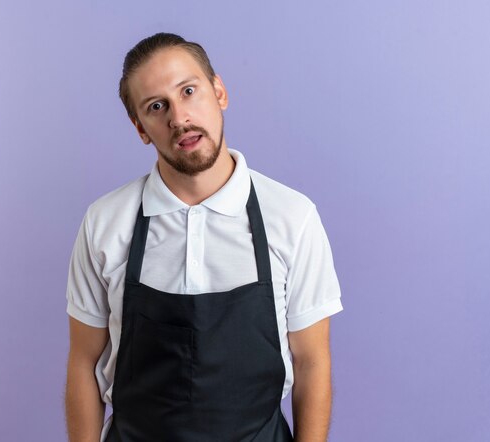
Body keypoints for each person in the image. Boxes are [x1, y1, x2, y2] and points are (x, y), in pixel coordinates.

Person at [65, 32, 343, 442]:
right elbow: (83, 365)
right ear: (141, 128)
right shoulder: (105, 222)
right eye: (157, 106)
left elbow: (312, 364)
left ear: (219, 92)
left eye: (189, 91)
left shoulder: (292, 217)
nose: (179, 118)